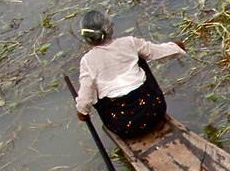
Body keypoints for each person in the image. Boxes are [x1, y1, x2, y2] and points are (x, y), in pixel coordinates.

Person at [73, 10, 185, 138]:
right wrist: (176, 47)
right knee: (140, 59)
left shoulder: (87, 61)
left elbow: (85, 97)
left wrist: (82, 112)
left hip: (123, 125)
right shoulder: (129, 42)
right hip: (154, 110)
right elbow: (157, 51)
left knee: (94, 87)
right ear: (110, 27)